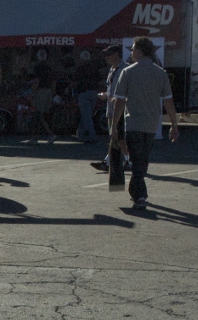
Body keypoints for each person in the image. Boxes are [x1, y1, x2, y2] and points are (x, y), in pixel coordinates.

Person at [110, 36, 179, 210]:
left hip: (133, 123)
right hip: (151, 125)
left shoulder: (128, 72)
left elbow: (119, 101)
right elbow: (168, 101)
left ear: (140, 51)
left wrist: (113, 126)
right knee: (142, 159)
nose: (131, 53)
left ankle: (139, 194)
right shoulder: (160, 73)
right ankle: (138, 193)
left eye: (133, 49)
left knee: (137, 160)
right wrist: (174, 124)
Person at [91, 44, 129, 172]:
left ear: (116, 55)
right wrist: (106, 95)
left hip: (120, 108)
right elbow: (111, 89)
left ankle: (108, 162)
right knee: (117, 137)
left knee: (117, 136)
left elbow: (128, 90)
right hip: (111, 107)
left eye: (109, 54)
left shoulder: (125, 69)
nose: (106, 57)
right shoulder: (112, 69)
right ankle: (125, 161)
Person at [73, 50, 104, 143]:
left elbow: (76, 82)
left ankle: (92, 136)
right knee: (87, 114)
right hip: (94, 93)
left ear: (82, 59)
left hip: (84, 93)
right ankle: (80, 133)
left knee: (86, 115)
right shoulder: (95, 68)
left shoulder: (80, 69)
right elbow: (99, 80)